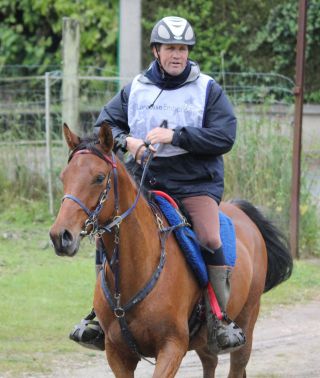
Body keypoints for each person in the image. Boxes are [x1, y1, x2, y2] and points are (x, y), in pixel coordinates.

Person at [70, 16, 245, 354]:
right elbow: (104, 123)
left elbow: (225, 136)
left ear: (188, 52)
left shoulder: (208, 89)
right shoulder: (136, 88)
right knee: (108, 229)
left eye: (182, 48)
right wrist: (126, 142)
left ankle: (219, 320)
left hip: (195, 183)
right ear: (156, 51)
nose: (177, 54)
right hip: (145, 181)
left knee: (209, 235)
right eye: (170, 48)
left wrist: (176, 135)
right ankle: (98, 317)